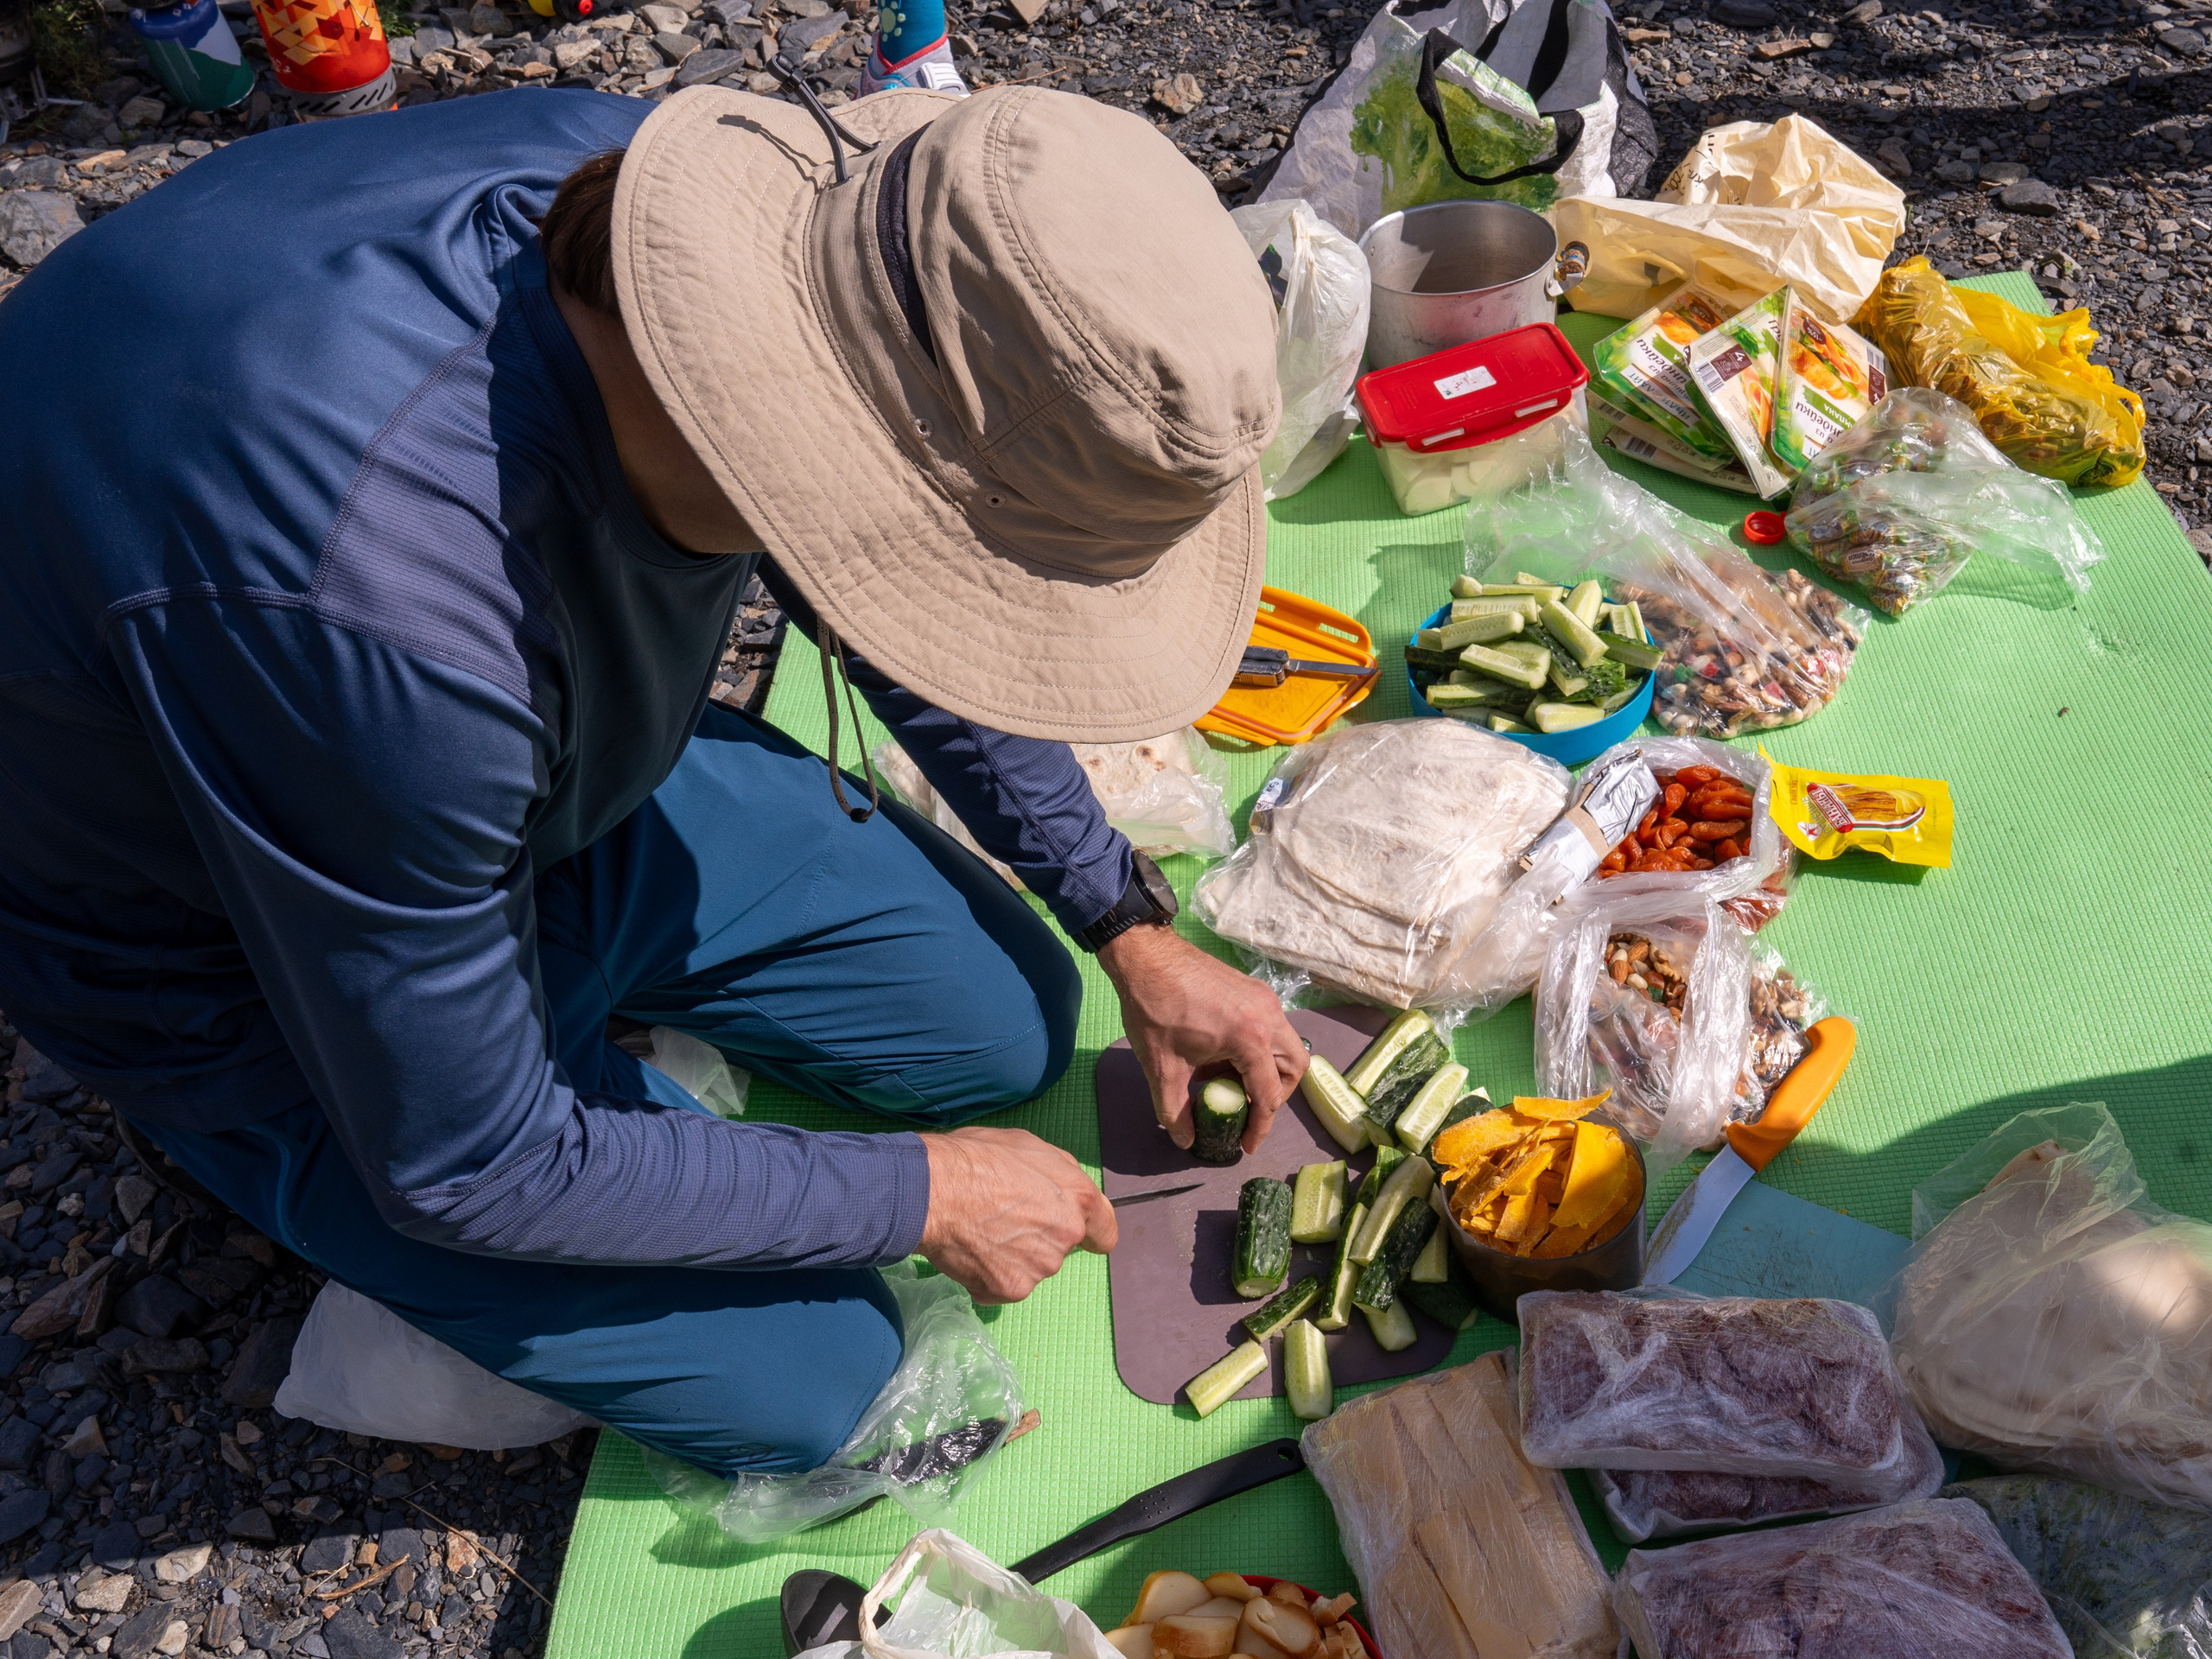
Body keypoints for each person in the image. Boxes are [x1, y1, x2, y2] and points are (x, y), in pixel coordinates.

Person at [0, 79, 1311, 1478]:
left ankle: (541, 991)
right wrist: (921, 1191)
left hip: (491, 787)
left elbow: (908, 594)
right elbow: (475, 1161)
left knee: (999, 1029)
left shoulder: (722, 210)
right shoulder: (389, 618)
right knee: (834, 1390)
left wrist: (1126, 918)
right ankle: (290, 1121)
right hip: (217, 951)